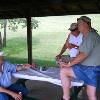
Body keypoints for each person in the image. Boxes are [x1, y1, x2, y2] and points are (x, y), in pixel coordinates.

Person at [59, 16, 100, 100]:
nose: (77, 27)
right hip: (94, 68)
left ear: (84, 24)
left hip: (89, 69)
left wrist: (69, 64)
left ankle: (66, 98)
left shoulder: (90, 36)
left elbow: (83, 54)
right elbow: (81, 52)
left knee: (64, 71)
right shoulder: (90, 34)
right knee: (91, 93)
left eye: (78, 24)